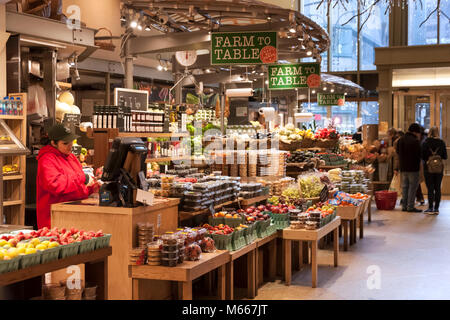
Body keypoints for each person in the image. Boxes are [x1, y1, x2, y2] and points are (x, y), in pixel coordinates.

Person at [36, 124, 100, 229]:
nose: (69, 145)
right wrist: (83, 178)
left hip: (71, 215)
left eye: (71, 141)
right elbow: (56, 185)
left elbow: (77, 185)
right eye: (65, 143)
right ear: (53, 143)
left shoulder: (71, 157)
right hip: (53, 219)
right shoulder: (46, 159)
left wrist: (92, 188)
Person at [396, 123, 422, 212]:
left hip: (403, 167)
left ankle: (404, 206)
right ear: (415, 132)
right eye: (418, 132)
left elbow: (398, 152)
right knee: (412, 188)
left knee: (405, 187)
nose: (419, 134)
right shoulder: (415, 141)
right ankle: (410, 207)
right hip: (413, 168)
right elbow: (419, 154)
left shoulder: (400, 140)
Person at [422, 126, 447, 215]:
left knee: (430, 188)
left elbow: (422, 156)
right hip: (439, 168)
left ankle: (430, 208)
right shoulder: (441, 142)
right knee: (437, 188)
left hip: (428, 168)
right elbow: (445, 156)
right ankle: (436, 208)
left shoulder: (425, 142)